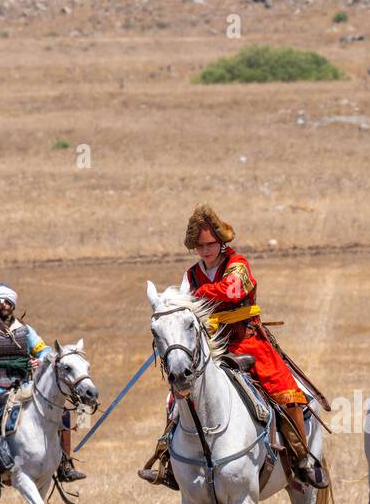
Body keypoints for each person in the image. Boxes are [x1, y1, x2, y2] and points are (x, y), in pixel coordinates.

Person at [139, 205, 327, 489]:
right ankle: (168, 461)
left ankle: (302, 460)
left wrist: (199, 294)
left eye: (211, 244)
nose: (206, 250)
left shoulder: (237, 264)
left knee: (285, 389)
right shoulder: (190, 275)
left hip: (247, 339)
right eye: (200, 246)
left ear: (221, 242)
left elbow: (233, 291)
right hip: (210, 344)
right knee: (176, 396)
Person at [0, 284, 83, 494]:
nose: (2, 305)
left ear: (12, 304)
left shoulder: (24, 331)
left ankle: (64, 465)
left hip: (22, 385)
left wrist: (38, 361)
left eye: (6, 301)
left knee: (63, 415)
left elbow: (46, 351)